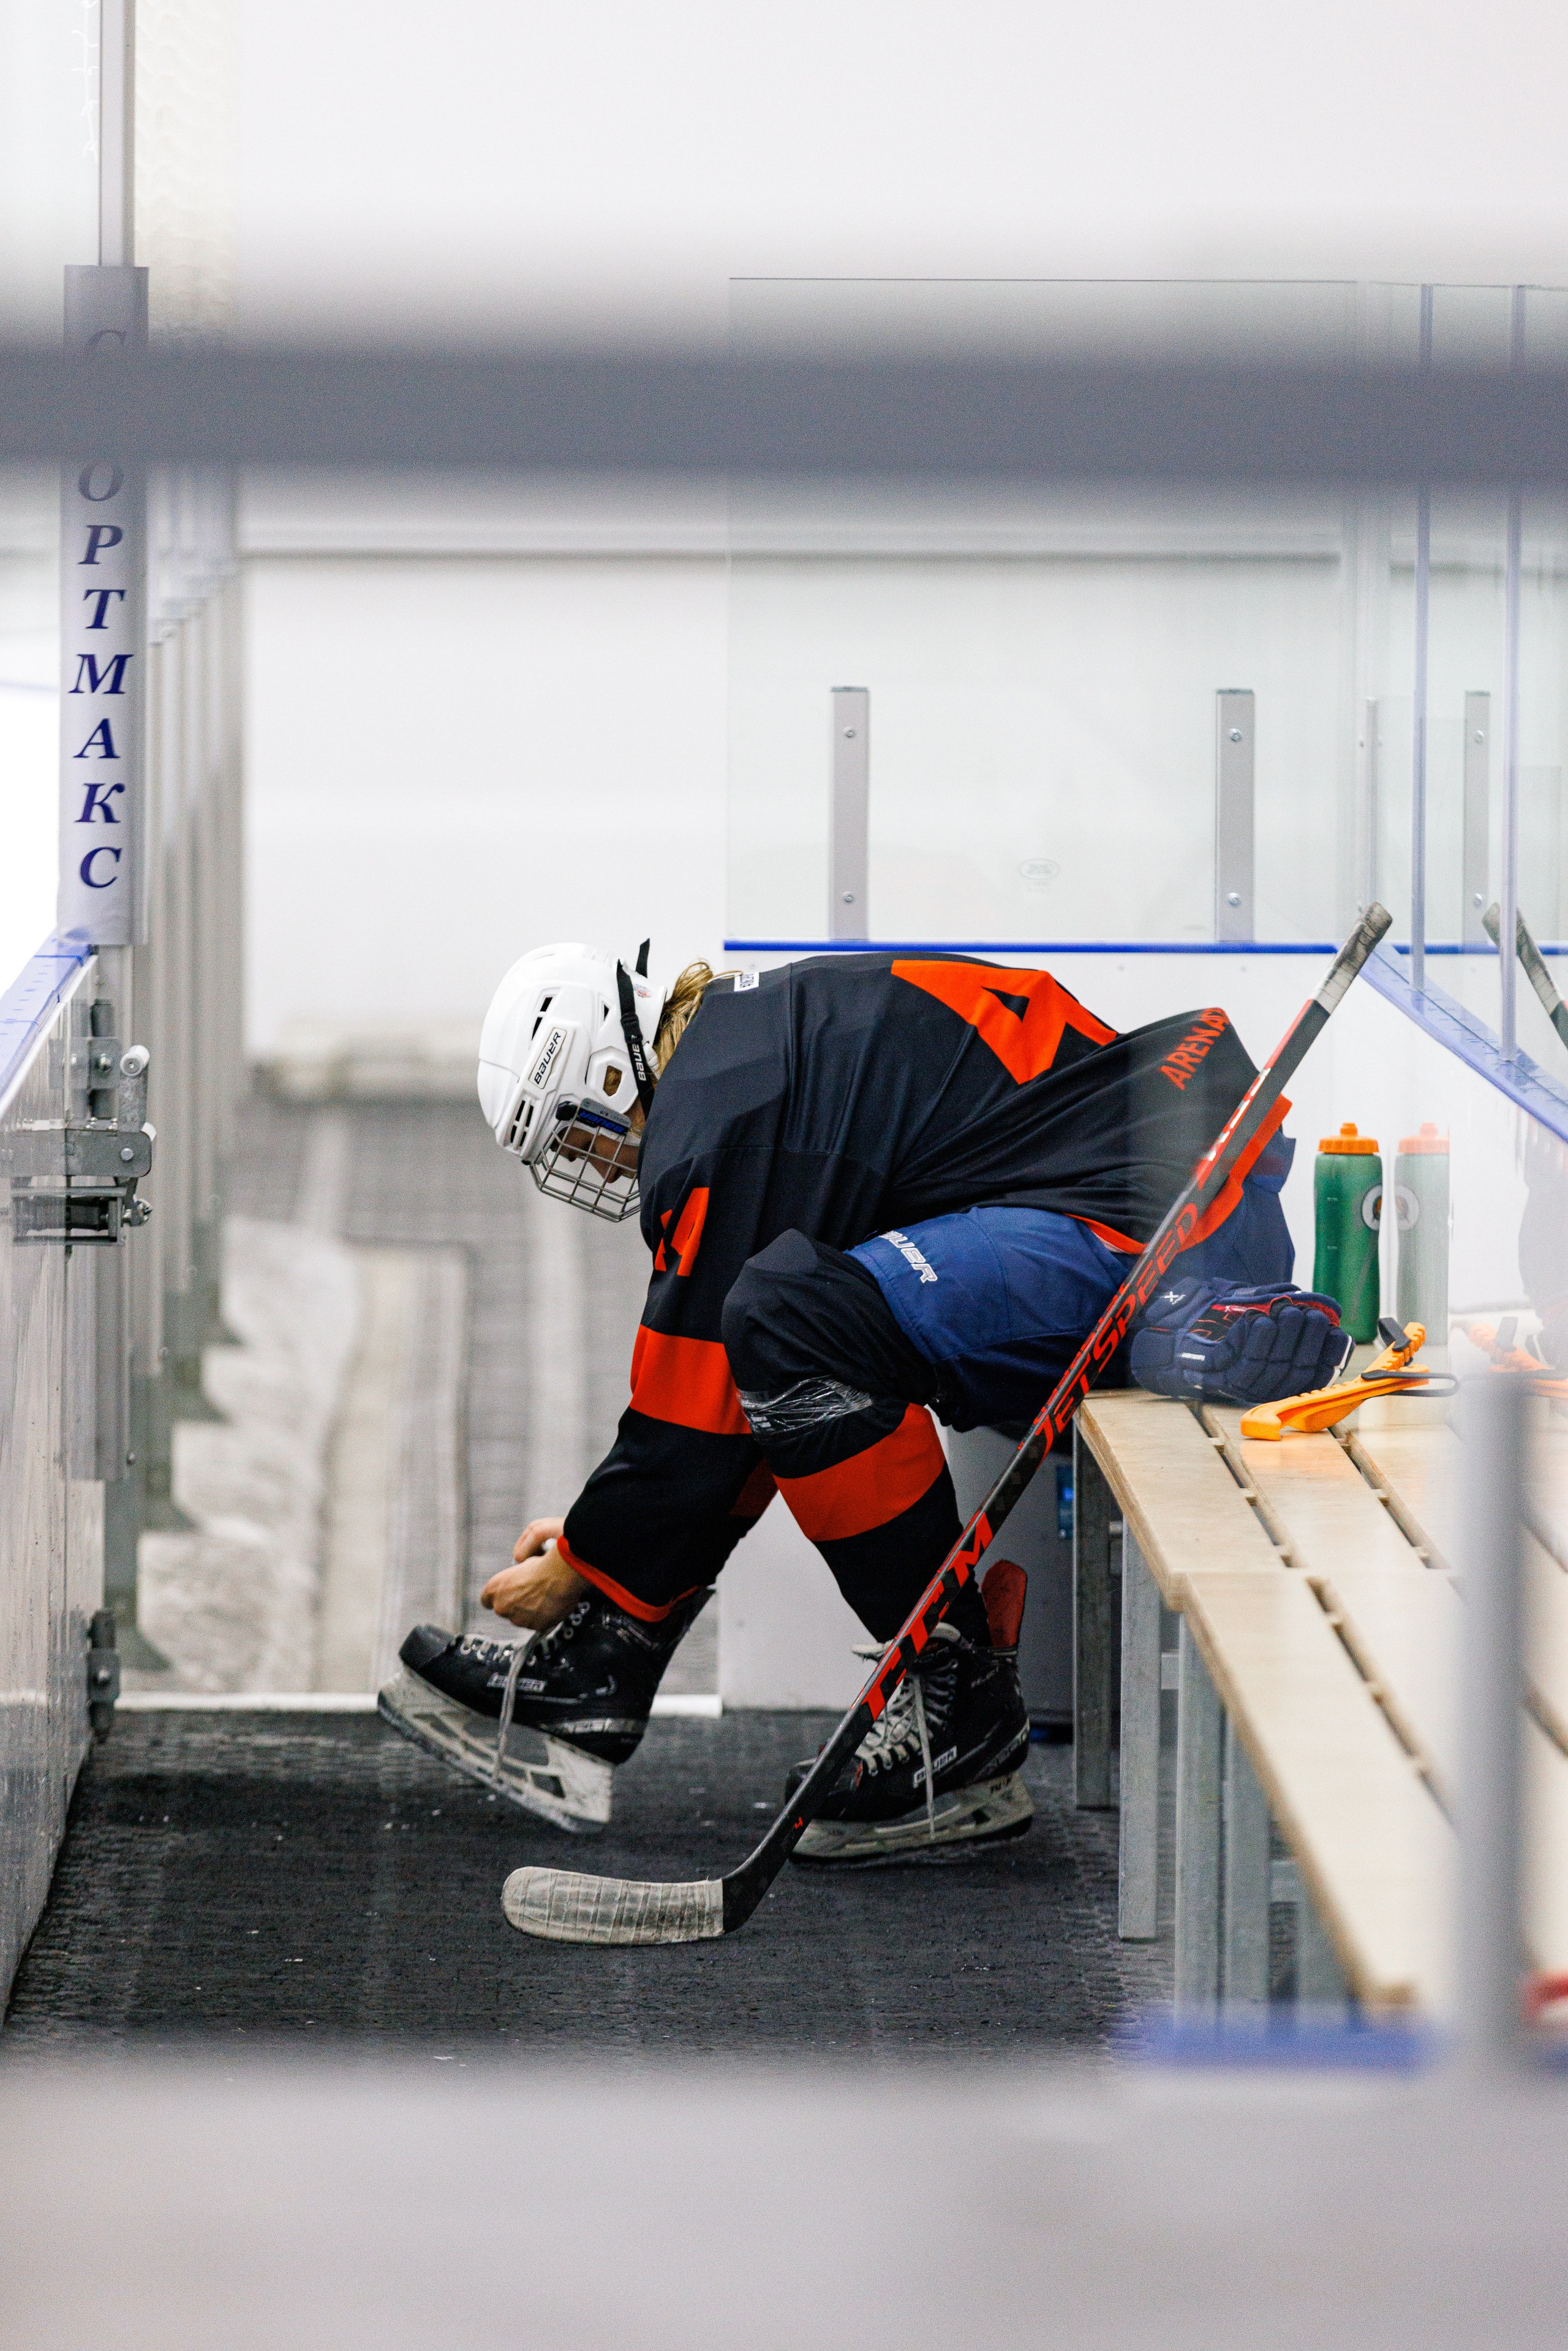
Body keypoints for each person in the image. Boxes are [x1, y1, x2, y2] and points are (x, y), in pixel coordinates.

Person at [380, 942, 1350, 1860]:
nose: (594, 1168)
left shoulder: (721, 1110)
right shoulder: (746, 1053)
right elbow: (715, 1399)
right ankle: (613, 1659)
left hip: (1149, 1225)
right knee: (791, 1325)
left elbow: (692, 1397)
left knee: (787, 1319)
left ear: (602, 1078)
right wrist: (605, 1548)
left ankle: (957, 1703)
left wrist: (587, 1560)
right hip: (1165, 1187)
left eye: (580, 1138)